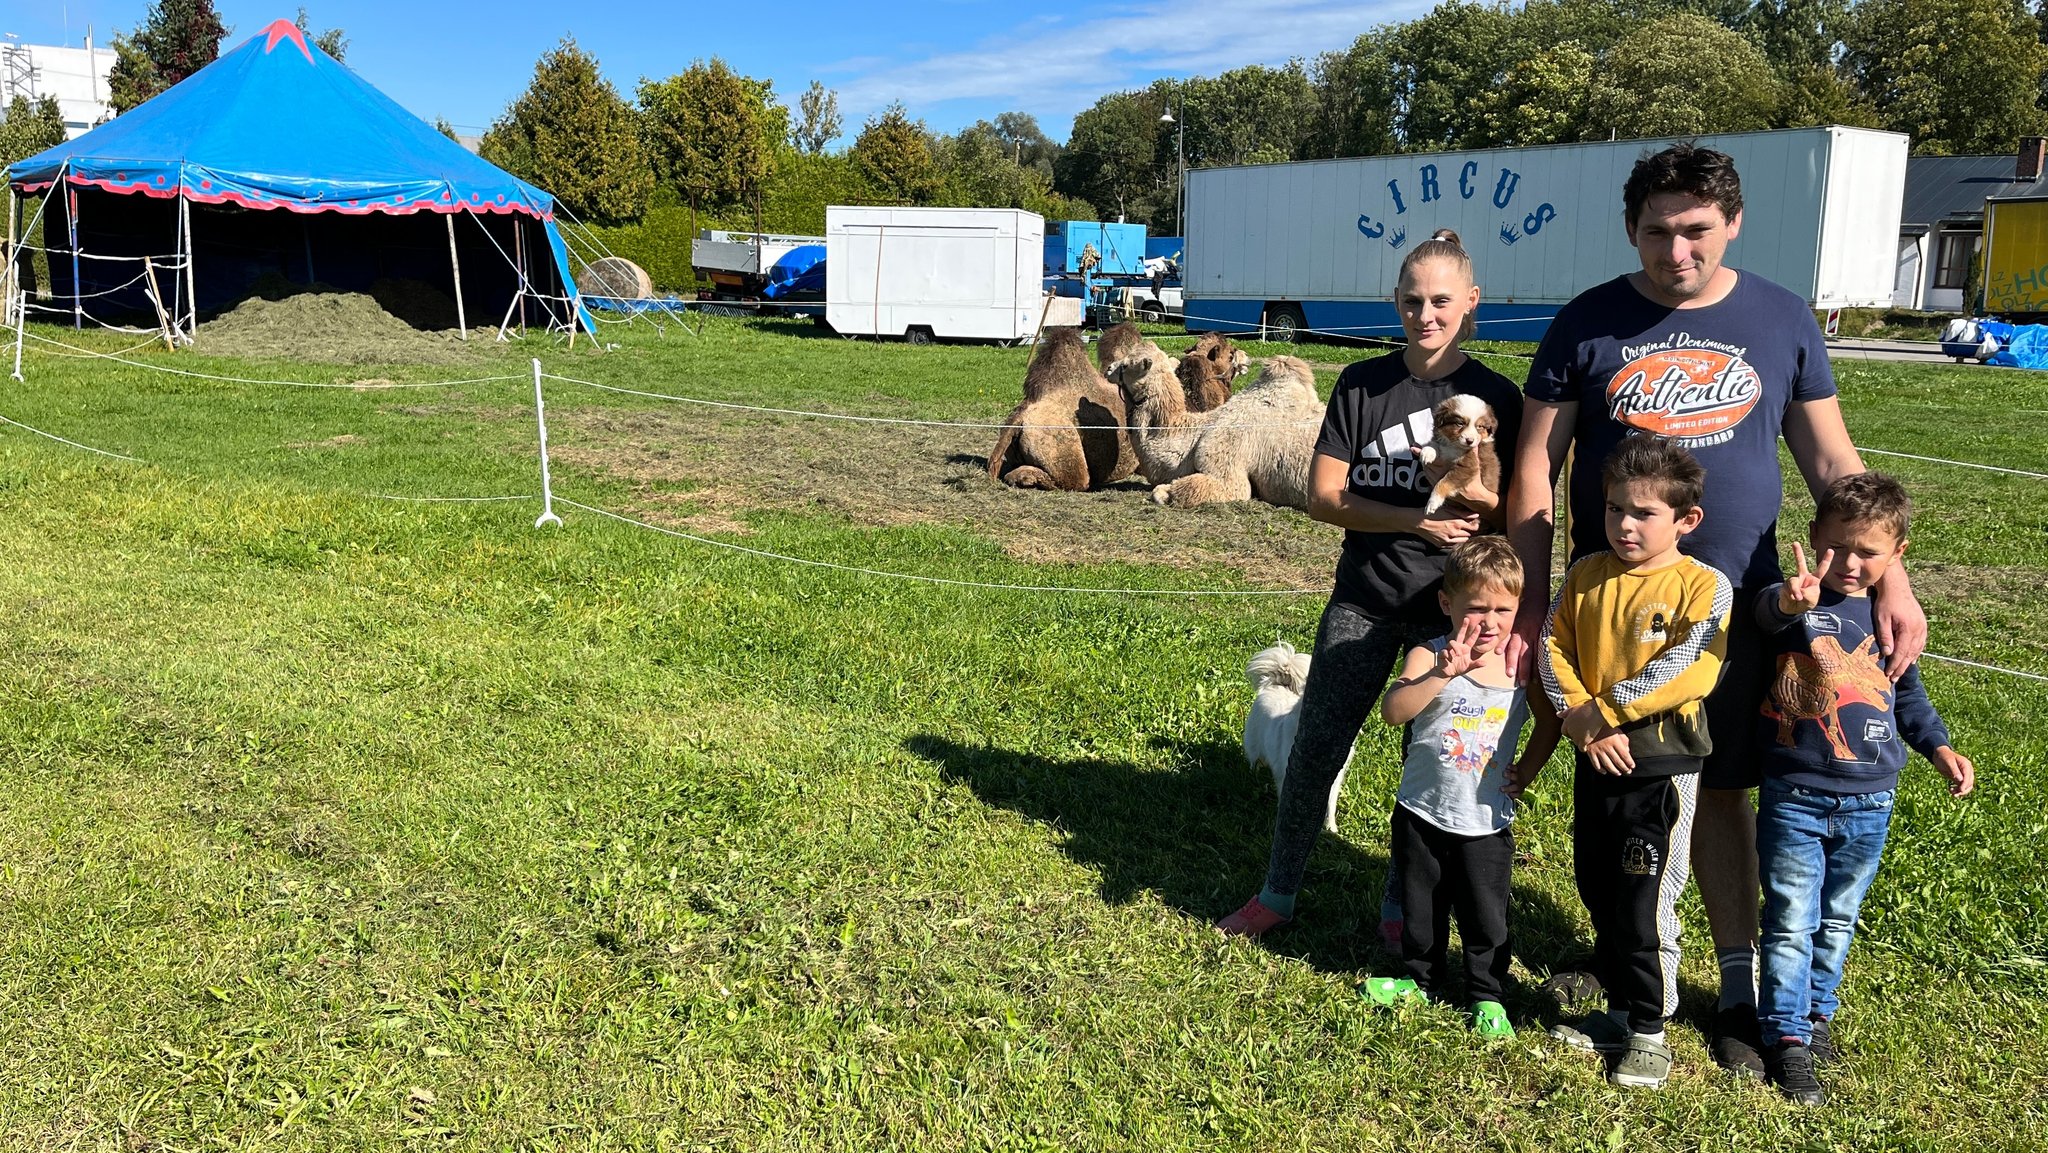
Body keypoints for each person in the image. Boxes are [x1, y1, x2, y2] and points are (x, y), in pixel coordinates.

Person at [1503, 143, 1928, 1079]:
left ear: (1731, 223)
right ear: (1632, 230)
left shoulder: (1780, 318)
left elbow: (1832, 462)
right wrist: (1534, 598)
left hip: (1748, 607)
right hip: (1613, 614)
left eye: (1695, 229)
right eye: (1657, 230)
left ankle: (1737, 987)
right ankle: (1629, 966)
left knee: (1725, 788)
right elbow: (1534, 466)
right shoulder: (1589, 322)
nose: (1676, 249)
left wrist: (1892, 577)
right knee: (1613, 795)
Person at [1216, 229, 1524, 940]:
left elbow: (1512, 510)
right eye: (1413, 300)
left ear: (1470, 301)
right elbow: (1325, 497)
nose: (1427, 314)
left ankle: (1399, 911)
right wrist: (1415, 521)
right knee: (1317, 746)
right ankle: (1276, 893)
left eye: (1442, 300)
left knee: (1427, 769)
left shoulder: (1497, 396)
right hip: (1366, 597)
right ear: (1395, 302)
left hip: (1452, 615)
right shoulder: (1362, 384)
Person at [1752, 473, 1974, 1106]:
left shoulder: (1886, 617)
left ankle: (1818, 1016)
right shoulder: (1796, 601)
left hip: (1872, 796)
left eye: (1867, 552)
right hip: (1795, 793)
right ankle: (1788, 1038)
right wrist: (1792, 602)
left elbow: (1905, 690)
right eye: (1837, 546)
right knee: (1792, 918)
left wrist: (1938, 746)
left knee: (1839, 916)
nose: (1849, 563)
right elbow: (1765, 615)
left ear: (1896, 555)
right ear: (1814, 537)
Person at [1536, 435, 1732, 1089]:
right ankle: (1619, 1013)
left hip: (1661, 766)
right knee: (1599, 885)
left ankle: (1651, 1030)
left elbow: (1692, 668)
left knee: (1646, 900)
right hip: (1595, 757)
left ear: (1686, 520)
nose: (1624, 523)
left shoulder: (1704, 585)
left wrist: (1608, 708)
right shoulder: (1586, 572)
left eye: (1643, 513)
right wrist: (1581, 720)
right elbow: (1552, 644)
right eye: (1616, 507)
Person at [1360, 537, 1558, 1040]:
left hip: (1485, 820)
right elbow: (1393, 711)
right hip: (1421, 810)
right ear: (1448, 604)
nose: (1490, 622)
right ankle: (1419, 979)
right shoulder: (1428, 655)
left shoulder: (1518, 666)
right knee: (1420, 905)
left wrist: (1529, 768)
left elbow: (1550, 722)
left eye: (1503, 610)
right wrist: (1441, 675)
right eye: (1476, 608)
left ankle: (1487, 996)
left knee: (1485, 914)